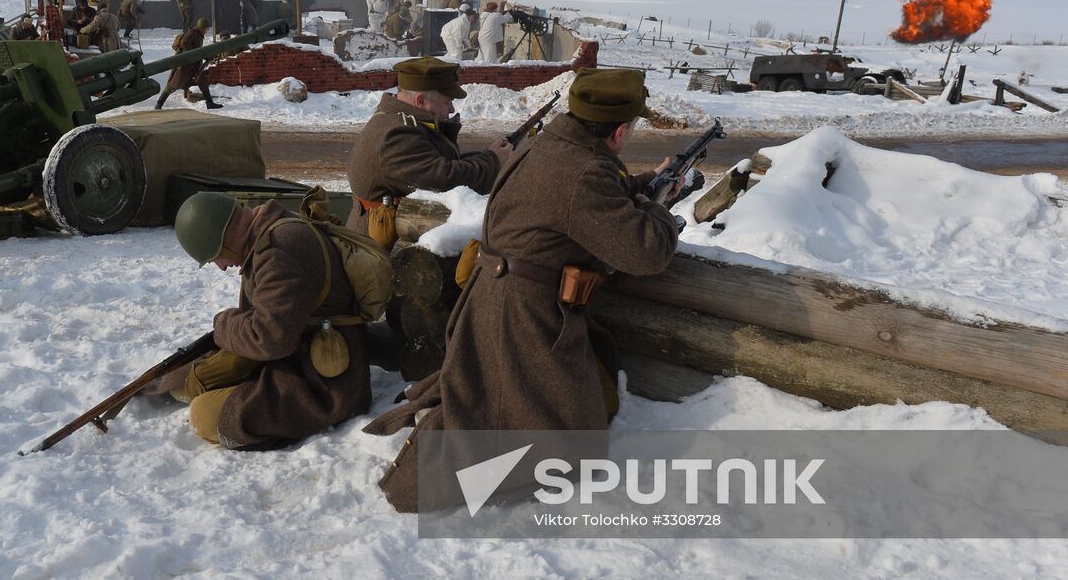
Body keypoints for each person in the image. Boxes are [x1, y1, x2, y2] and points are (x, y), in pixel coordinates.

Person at [363, 69, 682, 512]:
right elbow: (646, 253)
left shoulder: (551, 146)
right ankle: (437, 468)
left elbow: (575, 196)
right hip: (524, 315)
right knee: (571, 451)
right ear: (621, 130)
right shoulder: (584, 171)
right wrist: (658, 210)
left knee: (511, 400)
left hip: (498, 297)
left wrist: (639, 184)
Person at [140, 191, 371, 449]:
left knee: (205, 415)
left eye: (214, 257)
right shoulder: (273, 232)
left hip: (327, 381)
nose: (220, 267)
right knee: (193, 380)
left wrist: (224, 324)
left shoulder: (279, 250)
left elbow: (270, 340)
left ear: (221, 240)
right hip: (297, 349)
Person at [345, 56, 511, 243]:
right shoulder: (397, 135)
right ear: (420, 100)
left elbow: (437, 162)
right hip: (379, 250)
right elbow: (444, 179)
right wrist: (493, 162)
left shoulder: (396, 119)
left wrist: (488, 155)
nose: (451, 109)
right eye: (447, 102)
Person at [155, 18, 222, 110]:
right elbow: (184, 43)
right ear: (202, 28)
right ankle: (159, 104)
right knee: (173, 85)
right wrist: (193, 54)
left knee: (202, 81)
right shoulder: (193, 32)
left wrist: (202, 56)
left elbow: (197, 50)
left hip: (193, 64)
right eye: (206, 28)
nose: (207, 31)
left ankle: (209, 103)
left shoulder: (199, 34)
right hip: (184, 64)